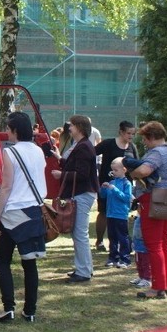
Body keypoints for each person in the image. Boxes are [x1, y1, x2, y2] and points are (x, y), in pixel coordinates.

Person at [0, 112, 46, 323]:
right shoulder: (38, 151)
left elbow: (6, 187)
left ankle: (9, 307)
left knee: (3, 261)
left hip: (13, 212)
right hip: (33, 210)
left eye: (8, 128)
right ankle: (30, 311)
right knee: (30, 264)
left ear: (15, 130)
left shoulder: (10, 152)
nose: (6, 131)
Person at [129, 121, 167, 299]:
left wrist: (132, 172)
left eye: (145, 139)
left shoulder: (157, 152)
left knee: (153, 245)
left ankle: (158, 287)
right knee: (165, 243)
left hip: (154, 200)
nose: (144, 142)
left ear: (151, 137)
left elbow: (143, 170)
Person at [51, 115, 99, 283]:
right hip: (81, 193)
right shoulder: (81, 145)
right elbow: (77, 167)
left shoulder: (84, 146)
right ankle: (84, 268)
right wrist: (60, 159)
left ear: (79, 127)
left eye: (71, 126)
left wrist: (61, 174)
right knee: (78, 233)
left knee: (79, 233)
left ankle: (84, 272)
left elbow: (83, 174)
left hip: (83, 193)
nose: (68, 128)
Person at [94, 121, 138, 252]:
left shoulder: (132, 147)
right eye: (128, 133)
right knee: (103, 211)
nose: (130, 136)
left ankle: (121, 241)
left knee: (122, 213)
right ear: (121, 132)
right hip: (107, 185)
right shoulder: (108, 144)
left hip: (124, 187)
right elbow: (91, 153)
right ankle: (100, 241)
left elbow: (136, 164)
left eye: (133, 134)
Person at [101, 157, 133, 269]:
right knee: (112, 237)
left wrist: (114, 189)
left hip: (121, 214)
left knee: (122, 237)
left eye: (116, 170)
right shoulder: (112, 182)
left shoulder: (127, 183)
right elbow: (103, 196)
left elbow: (126, 198)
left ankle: (125, 259)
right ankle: (113, 258)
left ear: (124, 170)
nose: (113, 172)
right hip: (110, 214)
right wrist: (104, 188)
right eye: (112, 170)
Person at [128, 213, 151, 289]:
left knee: (145, 262)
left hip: (144, 245)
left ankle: (147, 279)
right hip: (137, 243)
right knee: (138, 261)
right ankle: (141, 277)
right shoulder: (138, 218)